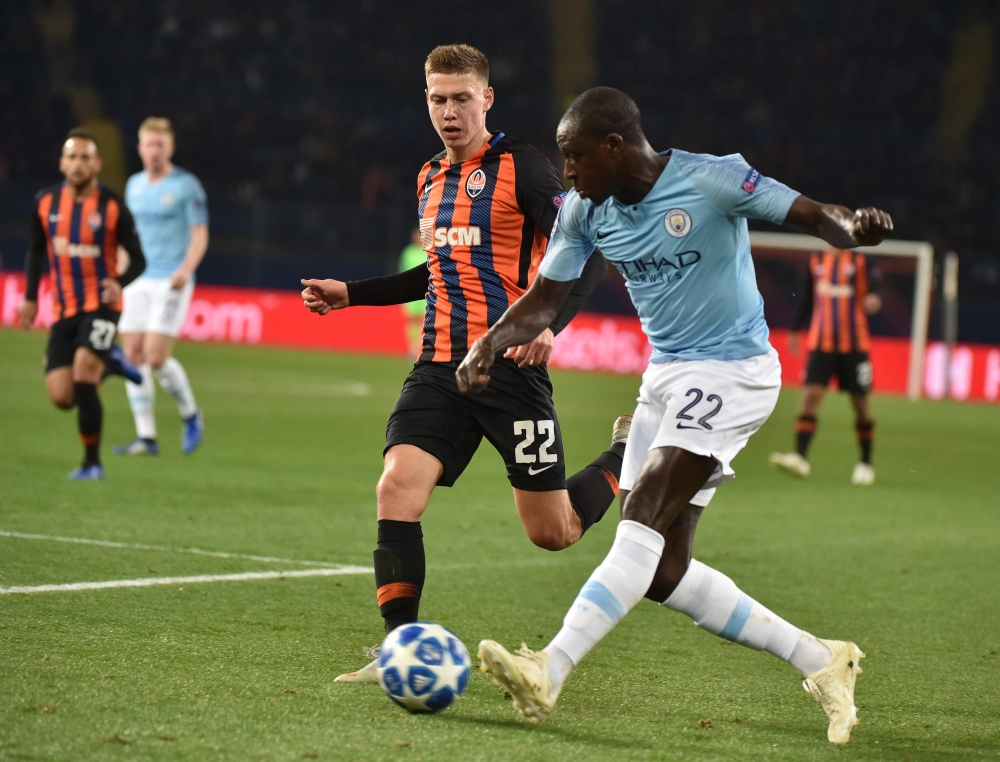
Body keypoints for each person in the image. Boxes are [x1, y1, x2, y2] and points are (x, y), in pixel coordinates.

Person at [457, 87, 893, 744]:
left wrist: (853, 228)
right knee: (662, 571)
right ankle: (823, 660)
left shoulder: (712, 178)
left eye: (575, 157)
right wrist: (489, 342)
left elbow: (810, 213)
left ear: (614, 146)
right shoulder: (585, 211)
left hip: (734, 371)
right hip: (666, 377)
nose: (567, 173)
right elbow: (546, 298)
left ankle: (550, 667)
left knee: (642, 514)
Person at [301, 45, 621, 683]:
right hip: (441, 366)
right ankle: (399, 648)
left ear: (487, 99)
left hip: (510, 369)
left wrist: (548, 327)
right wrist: (353, 294)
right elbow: (439, 272)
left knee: (553, 532)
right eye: (438, 99)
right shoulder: (427, 178)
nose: (449, 112)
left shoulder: (524, 169)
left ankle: (623, 454)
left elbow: (586, 251)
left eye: (461, 98)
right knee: (396, 487)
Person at [18, 128, 146, 479]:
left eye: (85, 157)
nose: (78, 164)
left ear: (97, 164)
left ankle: (92, 462)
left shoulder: (113, 207)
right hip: (64, 309)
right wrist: (30, 298)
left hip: (102, 305)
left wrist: (118, 283)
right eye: (72, 157)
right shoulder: (45, 202)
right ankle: (112, 363)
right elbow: (35, 252)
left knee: (84, 374)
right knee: (62, 397)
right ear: (62, 163)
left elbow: (138, 260)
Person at [113, 117, 208, 456]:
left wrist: (186, 269)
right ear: (139, 148)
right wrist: (120, 272)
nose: (154, 151)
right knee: (132, 354)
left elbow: (199, 234)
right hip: (138, 278)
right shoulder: (134, 186)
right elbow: (129, 237)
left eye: (161, 145)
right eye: (149, 144)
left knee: (155, 356)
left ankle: (191, 414)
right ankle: (146, 437)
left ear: (171, 148)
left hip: (171, 279)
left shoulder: (186, 186)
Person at [770, 249, 882, 484]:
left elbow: (877, 285)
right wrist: (795, 328)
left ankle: (865, 463)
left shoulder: (861, 261)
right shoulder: (815, 260)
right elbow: (807, 297)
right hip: (821, 343)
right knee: (810, 397)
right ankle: (800, 457)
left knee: (860, 404)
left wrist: (875, 297)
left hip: (855, 346)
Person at [399, 227, 429, 355]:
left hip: (426, 291)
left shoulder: (428, 251)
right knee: (412, 320)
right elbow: (402, 269)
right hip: (410, 291)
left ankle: (423, 345)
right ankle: (413, 346)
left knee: (426, 319)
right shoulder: (408, 252)